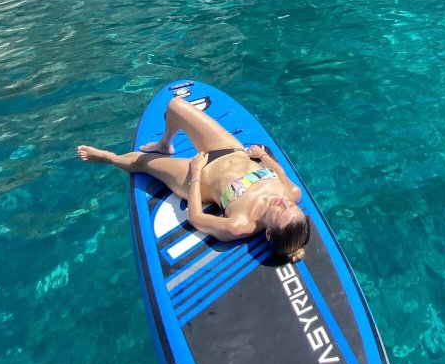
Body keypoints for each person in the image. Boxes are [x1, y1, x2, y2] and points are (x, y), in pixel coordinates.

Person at [78, 96, 311, 262]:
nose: (283, 202)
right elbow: (280, 173)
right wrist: (263, 157)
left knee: (141, 164)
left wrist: (197, 173)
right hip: (231, 149)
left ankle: (109, 158)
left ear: (269, 233)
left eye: (281, 211)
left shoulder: (240, 224)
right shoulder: (292, 193)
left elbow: (197, 218)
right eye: (290, 206)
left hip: (198, 174)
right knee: (175, 106)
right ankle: (164, 143)